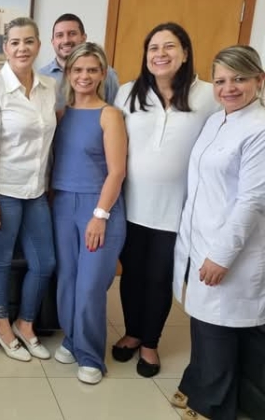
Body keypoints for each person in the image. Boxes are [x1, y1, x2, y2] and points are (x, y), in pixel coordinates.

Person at [112, 22, 219, 377]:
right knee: (132, 276)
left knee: (160, 278)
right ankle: (131, 332)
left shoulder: (208, 96)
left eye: (169, 46)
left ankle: (150, 344)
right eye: (153, 48)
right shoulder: (128, 93)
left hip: (178, 210)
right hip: (131, 207)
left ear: (185, 53)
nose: (160, 54)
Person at [170, 46, 265, 420]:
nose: (229, 88)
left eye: (239, 79)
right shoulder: (219, 120)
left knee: (220, 329)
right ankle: (199, 385)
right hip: (202, 239)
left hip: (230, 249)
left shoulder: (259, 129)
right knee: (209, 325)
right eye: (222, 80)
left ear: (259, 80)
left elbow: (251, 202)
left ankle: (212, 406)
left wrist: (221, 255)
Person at [0, 17, 56, 362]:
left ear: (38, 46)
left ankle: (26, 322)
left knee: (44, 263)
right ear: (5, 48)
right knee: (1, 262)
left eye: (29, 41)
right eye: (15, 42)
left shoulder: (49, 87)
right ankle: (2, 325)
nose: (22, 48)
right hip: (0, 191)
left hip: (34, 190)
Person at [51, 42, 127, 384]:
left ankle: (91, 355)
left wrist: (100, 215)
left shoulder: (109, 114)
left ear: (102, 74)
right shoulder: (62, 112)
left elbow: (117, 171)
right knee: (67, 279)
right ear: (68, 73)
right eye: (78, 69)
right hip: (63, 203)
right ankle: (71, 338)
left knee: (90, 285)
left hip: (99, 207)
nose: (84, 76)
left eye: (92, 70)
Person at [37, 13, 119, 109]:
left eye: (72, 34)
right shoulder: (41, 76)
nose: (66, 40)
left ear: (83, 38)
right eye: (59, 35)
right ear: (53, 41)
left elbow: (114, 110)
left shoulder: (107, 73)